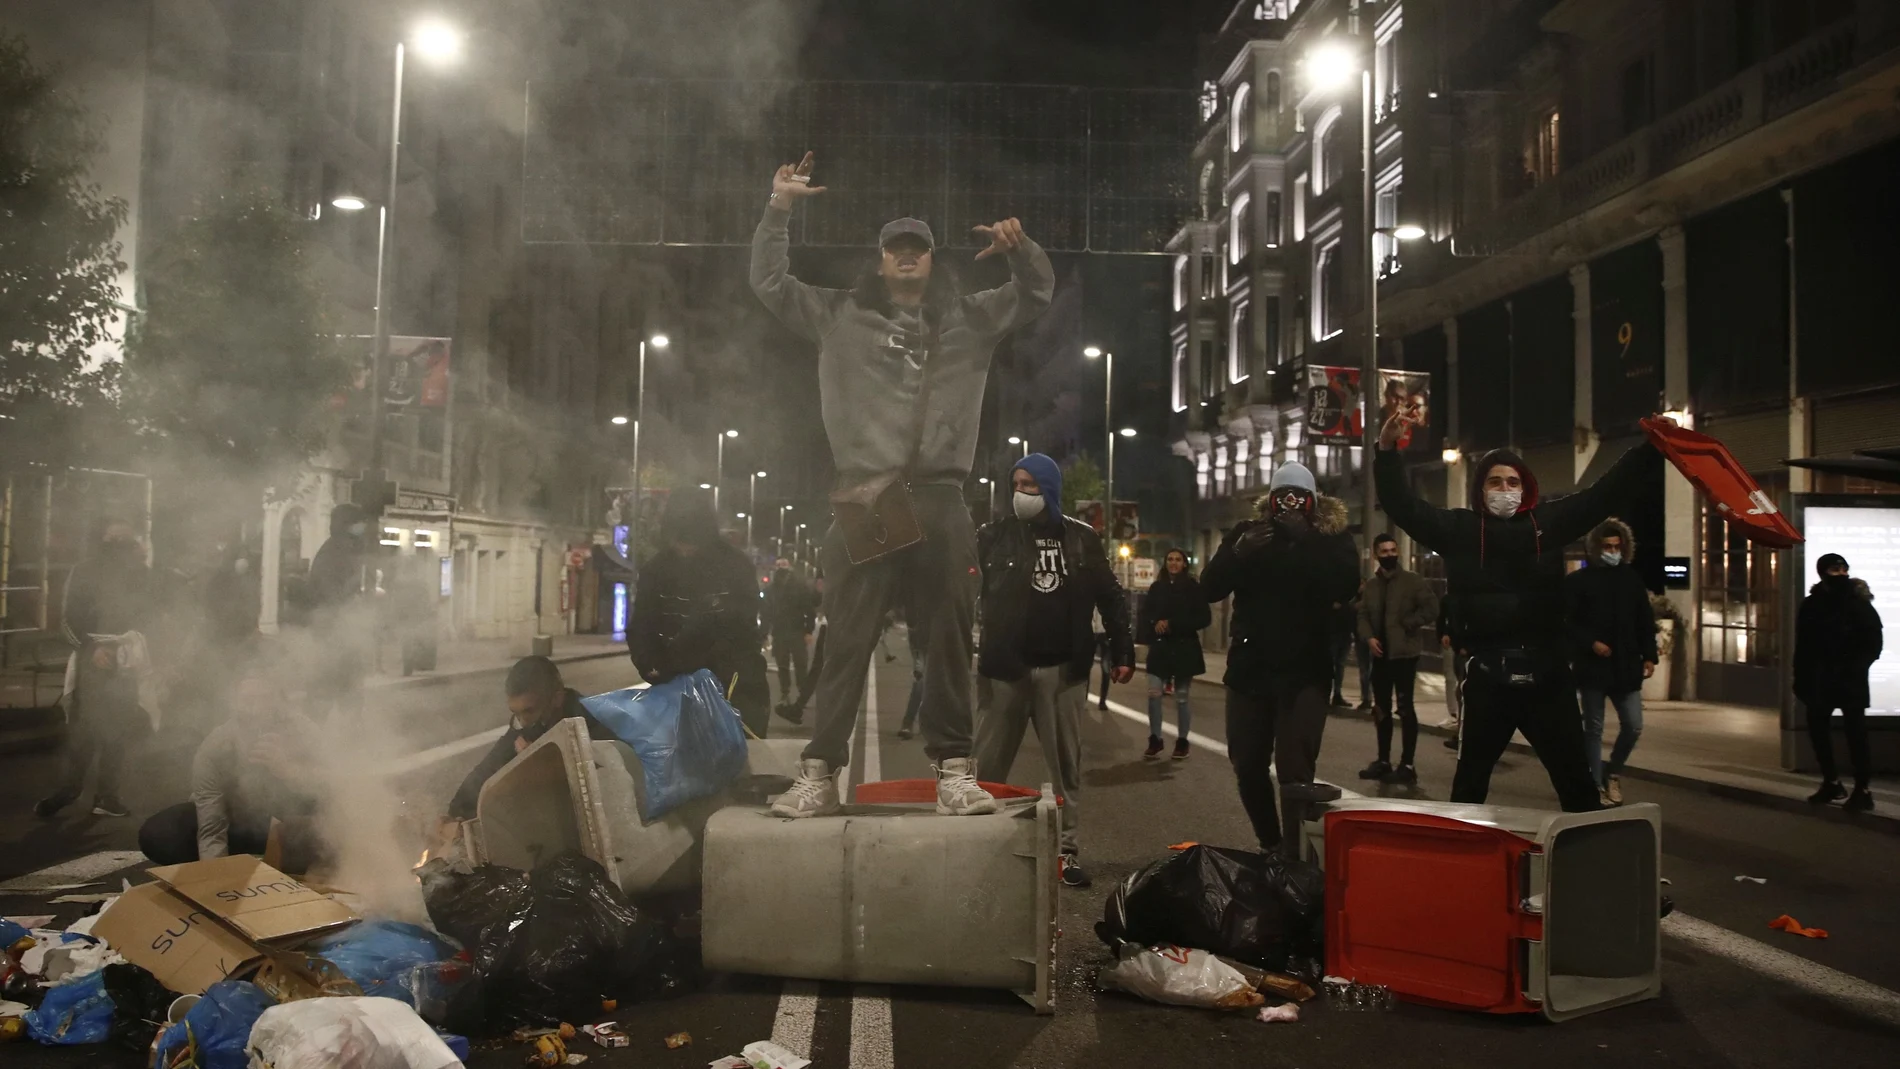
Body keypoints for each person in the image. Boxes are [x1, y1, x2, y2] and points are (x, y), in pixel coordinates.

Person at [752, 150, 1053, 817]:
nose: (907, 256)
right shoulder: (837, 314)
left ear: (931, 258)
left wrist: (1021, 249)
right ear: (881, 259)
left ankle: (953, 769)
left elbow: (1036, 295)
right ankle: (818, 771)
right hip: (868, 493)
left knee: (947, 635)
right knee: (847, 637)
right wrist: (779, 208)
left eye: (918, 248)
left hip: (940, 495)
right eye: (896, 248)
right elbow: (771, 283)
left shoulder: (970, 317)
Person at [1374, 409, 1662, 812]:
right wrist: (1387, 451)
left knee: (1577, 788)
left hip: (1549, 676)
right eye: (1494, 482)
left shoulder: (1549, 523)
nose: (1504, 488)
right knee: (1469, 790)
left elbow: (1603, 496)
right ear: (1481, 490)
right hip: (1489, 677)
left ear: (1525, 487)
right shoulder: (1459, 530)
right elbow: (1402, 506)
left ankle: (1583, 866)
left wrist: (1651, 450)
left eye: (1512, 481)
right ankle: (1466, 868)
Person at [974, 454, 1134, 887]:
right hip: (1006, 670)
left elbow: (1111, 596)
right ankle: (977, 845)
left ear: (1049, 490)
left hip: (1063, 671)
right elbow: (964, 589)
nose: (1020, 493)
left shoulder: (1082, 540)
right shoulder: (993, 537)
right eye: (1016, 484)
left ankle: (1066, 851)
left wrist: (1123, 650)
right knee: (986, 768)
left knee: (1065, 767)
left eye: (1029, 485)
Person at [1200, 462, 1359, 854]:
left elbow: (1345, 584)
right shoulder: (1248, 534)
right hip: (1250, 670)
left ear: (1312, 502)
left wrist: (1307, 541)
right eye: (1281, 496)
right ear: (1269, 500)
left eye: (1298, 496)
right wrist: (1237, 553)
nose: (1289, 504)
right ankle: (1271, 845)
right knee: (1248, 765)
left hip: (1304, 671)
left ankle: (1294, 855)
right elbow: (1209, 587)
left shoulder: (1332, 537)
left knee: (1295, 774)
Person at [138, 668, 322, 866]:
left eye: (265, 699)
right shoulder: (217, 745)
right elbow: (211, 823)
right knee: (159, 833)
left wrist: (288, 770)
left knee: (332, 829)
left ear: (278, 701)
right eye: (248, 700)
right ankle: (248, 860)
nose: (256, 708)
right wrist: (218, 875)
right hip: (240, 820)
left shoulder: (303, 730)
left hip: (291, 819)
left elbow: (334, 787)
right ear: (234, 704)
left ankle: (287, 858)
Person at [35, 519, 154, 820]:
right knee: (85, 730)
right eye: (115, 536)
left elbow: (146, 615)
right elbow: (68, 621)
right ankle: (70, 790)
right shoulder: (84, 571)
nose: (121, 542)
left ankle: (106, 796)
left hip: (124, 661)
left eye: (126, 537)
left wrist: (131, 644)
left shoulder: (139, 574)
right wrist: (91, 649)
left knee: (118, 730)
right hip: (92, 664)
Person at [628, 494, 771, 737]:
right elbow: (642, 624)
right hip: (674, 687)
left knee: (738, 764)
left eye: (691, 541)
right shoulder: (656, 569)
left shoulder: (735, 566)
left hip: (733, 687)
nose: (684, 548)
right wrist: (649, 663)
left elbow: (744, 626)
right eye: (678, 540)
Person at [445, 656, 619, 827]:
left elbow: (607, 780)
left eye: (528, 711)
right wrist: (457, 812)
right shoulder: (527, 723)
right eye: (516, 712)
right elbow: (492, 765)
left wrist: (544, 767)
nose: (523, 721)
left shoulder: (593, 720)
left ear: (557, 699)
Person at [1566, 518, 1658, 806]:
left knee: (1633, 725)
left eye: (1617, 546)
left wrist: (1650, 654)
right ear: (1596, 548)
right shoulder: (1579, 581)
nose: (1612, 551)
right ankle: (1594, 783)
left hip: (1626, 665)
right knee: (1593, 728)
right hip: (1593, 666)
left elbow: (1644, 619)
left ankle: (1612, 771)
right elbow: (1567, 622)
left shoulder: (1631, 579)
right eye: (1607, 546)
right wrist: (1590, 642)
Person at [1793, 552, 1882, 813]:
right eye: (1835, 569)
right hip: (1820, 679)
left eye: (1844, 569)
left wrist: (1857, 666)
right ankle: (1832, 781)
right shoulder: (1813, 604)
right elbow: (1804, 644)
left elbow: (1873, 642)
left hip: (1848, 679)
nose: (1841, 573)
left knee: (1856, 733)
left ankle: (1861, 788)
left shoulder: (1857, 603)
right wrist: (1800, 675)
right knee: (1819, 730)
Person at [1357, 533, 1439, 786]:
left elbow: (1432, 609)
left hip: (1404, 655)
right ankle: (1383, 761)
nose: (1390, 554)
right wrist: (1369, 638)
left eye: (1393, 550)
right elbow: (1361, 616)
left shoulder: (1412, 582)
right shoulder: (1371, 586)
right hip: (1380, 657)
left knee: (1405, 710)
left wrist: (1408, 625)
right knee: (1381, 710)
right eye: (1384, 551)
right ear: (1376, 555)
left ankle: (1407, 765)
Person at [1137, 548, 1210, 759]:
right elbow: (1146, 613)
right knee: (1153, 693)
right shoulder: (1157, 587)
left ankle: (1182, 741)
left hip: (1184, 647)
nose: (1173, 563)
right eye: (1170, 559)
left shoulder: (1193, 588)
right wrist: (1154, 623)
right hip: (1160, 648)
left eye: (1178, 560)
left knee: (1182, 697)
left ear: (1184, 563)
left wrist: (1173, 624)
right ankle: (1155, 738)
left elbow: (1204, 618)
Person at [303, 503, 370, 720]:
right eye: (358, 523)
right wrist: (349, 608)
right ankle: (315, 739)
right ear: (348, 525)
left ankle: (345, 735)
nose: (363, 527)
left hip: (341, 632)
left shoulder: (347, 549)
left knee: (346, 688)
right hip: (332, 632)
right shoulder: (333, 553)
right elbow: (329, 593)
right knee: (327, 688)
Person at [761, 558, 816, 700]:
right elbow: (766, 614)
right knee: (783, 664)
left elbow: (809, 610)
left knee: (801, 664)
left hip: (797, 630)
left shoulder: (799, 588)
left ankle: (802, 691)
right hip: (780, 632)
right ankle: (785, 692)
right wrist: (764, 634)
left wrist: (809, 630)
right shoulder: (770, 591)